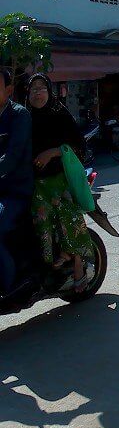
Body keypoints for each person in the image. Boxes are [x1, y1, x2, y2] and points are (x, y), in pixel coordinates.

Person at [26, 74, 91, 292]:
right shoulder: (25, 118)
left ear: (49, 91)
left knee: (69, 217)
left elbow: (78, 146)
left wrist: (51, 153)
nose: (37, 93)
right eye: (33, 89)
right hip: (35, 182)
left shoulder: (60, 114)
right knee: (39, 222)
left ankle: (79, 266)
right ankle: (47, 268)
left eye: (41, 88)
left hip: (60, 179)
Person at [0, 68, 33, 295]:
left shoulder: (19, 115)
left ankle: (9, 285)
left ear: (9, 90)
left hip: (16, 190)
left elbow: (12, 155)